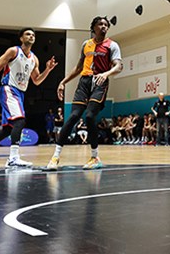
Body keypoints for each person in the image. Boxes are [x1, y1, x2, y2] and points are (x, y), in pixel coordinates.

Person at [0, 28, 58, 168]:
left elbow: (37, 80)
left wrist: (48, 69)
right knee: (20, 121)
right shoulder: (13, 51)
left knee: (8, 130)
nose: (31, 36)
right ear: (21, 38)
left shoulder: (34, 59)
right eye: (28, 34)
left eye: (33, 35)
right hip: (8, 89)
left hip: (20, 93)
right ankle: (13, 158)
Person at [45, 16, 123, 170]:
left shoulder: (112, 45)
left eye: (106, 25)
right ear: (93, 27)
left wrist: (106, 74)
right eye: (100, 24)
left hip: (100, 82)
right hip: (84, 82)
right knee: (73, 116)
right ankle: (55, 157)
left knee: (89, 116)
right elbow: (79, 67)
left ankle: (95, 157)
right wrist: (63, 82)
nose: (103, 27)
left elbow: (119, 66)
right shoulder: (86, 45)